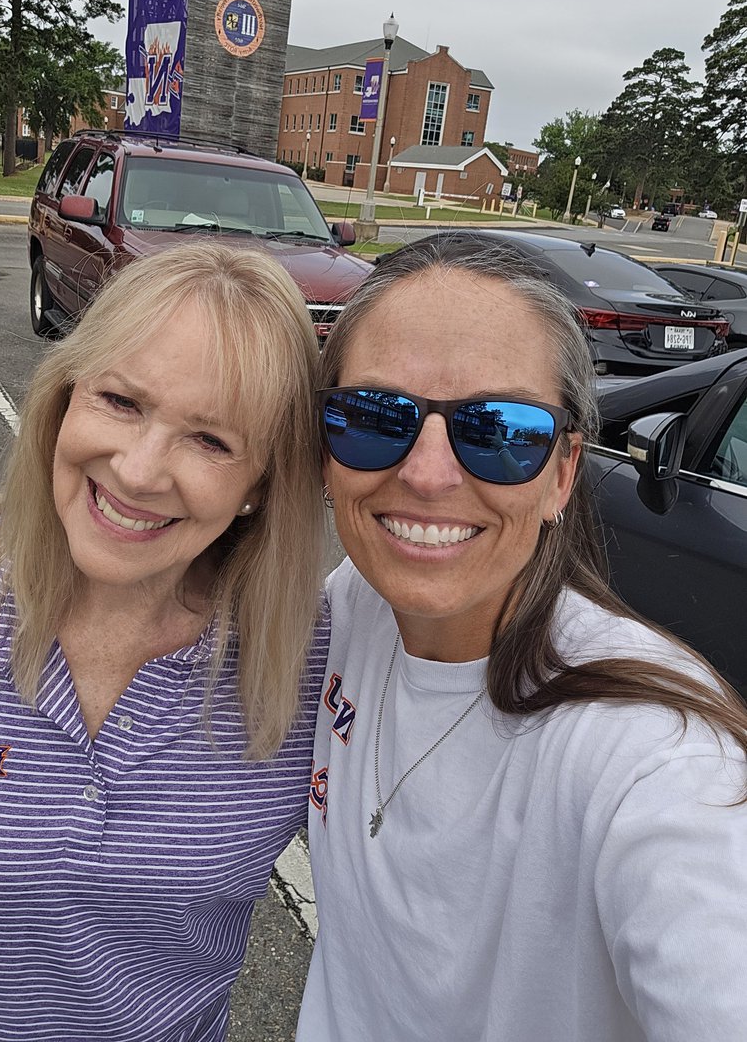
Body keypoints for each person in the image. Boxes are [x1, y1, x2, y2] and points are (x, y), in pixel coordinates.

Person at [0, 242, 328, 1042]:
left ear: (262, 485)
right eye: (120, 401)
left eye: (211, 440)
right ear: (63, 400)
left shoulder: (306, 659)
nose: (139, 471)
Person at [298, 231, 747, 1042]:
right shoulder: (357, 604)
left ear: (564, 474)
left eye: (498, 431)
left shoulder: (656, 759)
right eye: (374, 416)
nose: (429, 475)